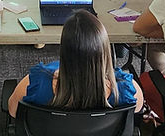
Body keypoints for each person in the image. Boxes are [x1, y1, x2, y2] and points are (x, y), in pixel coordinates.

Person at [8, 10, 143, 117]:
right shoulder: (126, 90)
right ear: (104, 50)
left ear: (63, 50)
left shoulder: (37, 82)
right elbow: (136, 111)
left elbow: (13, 111)